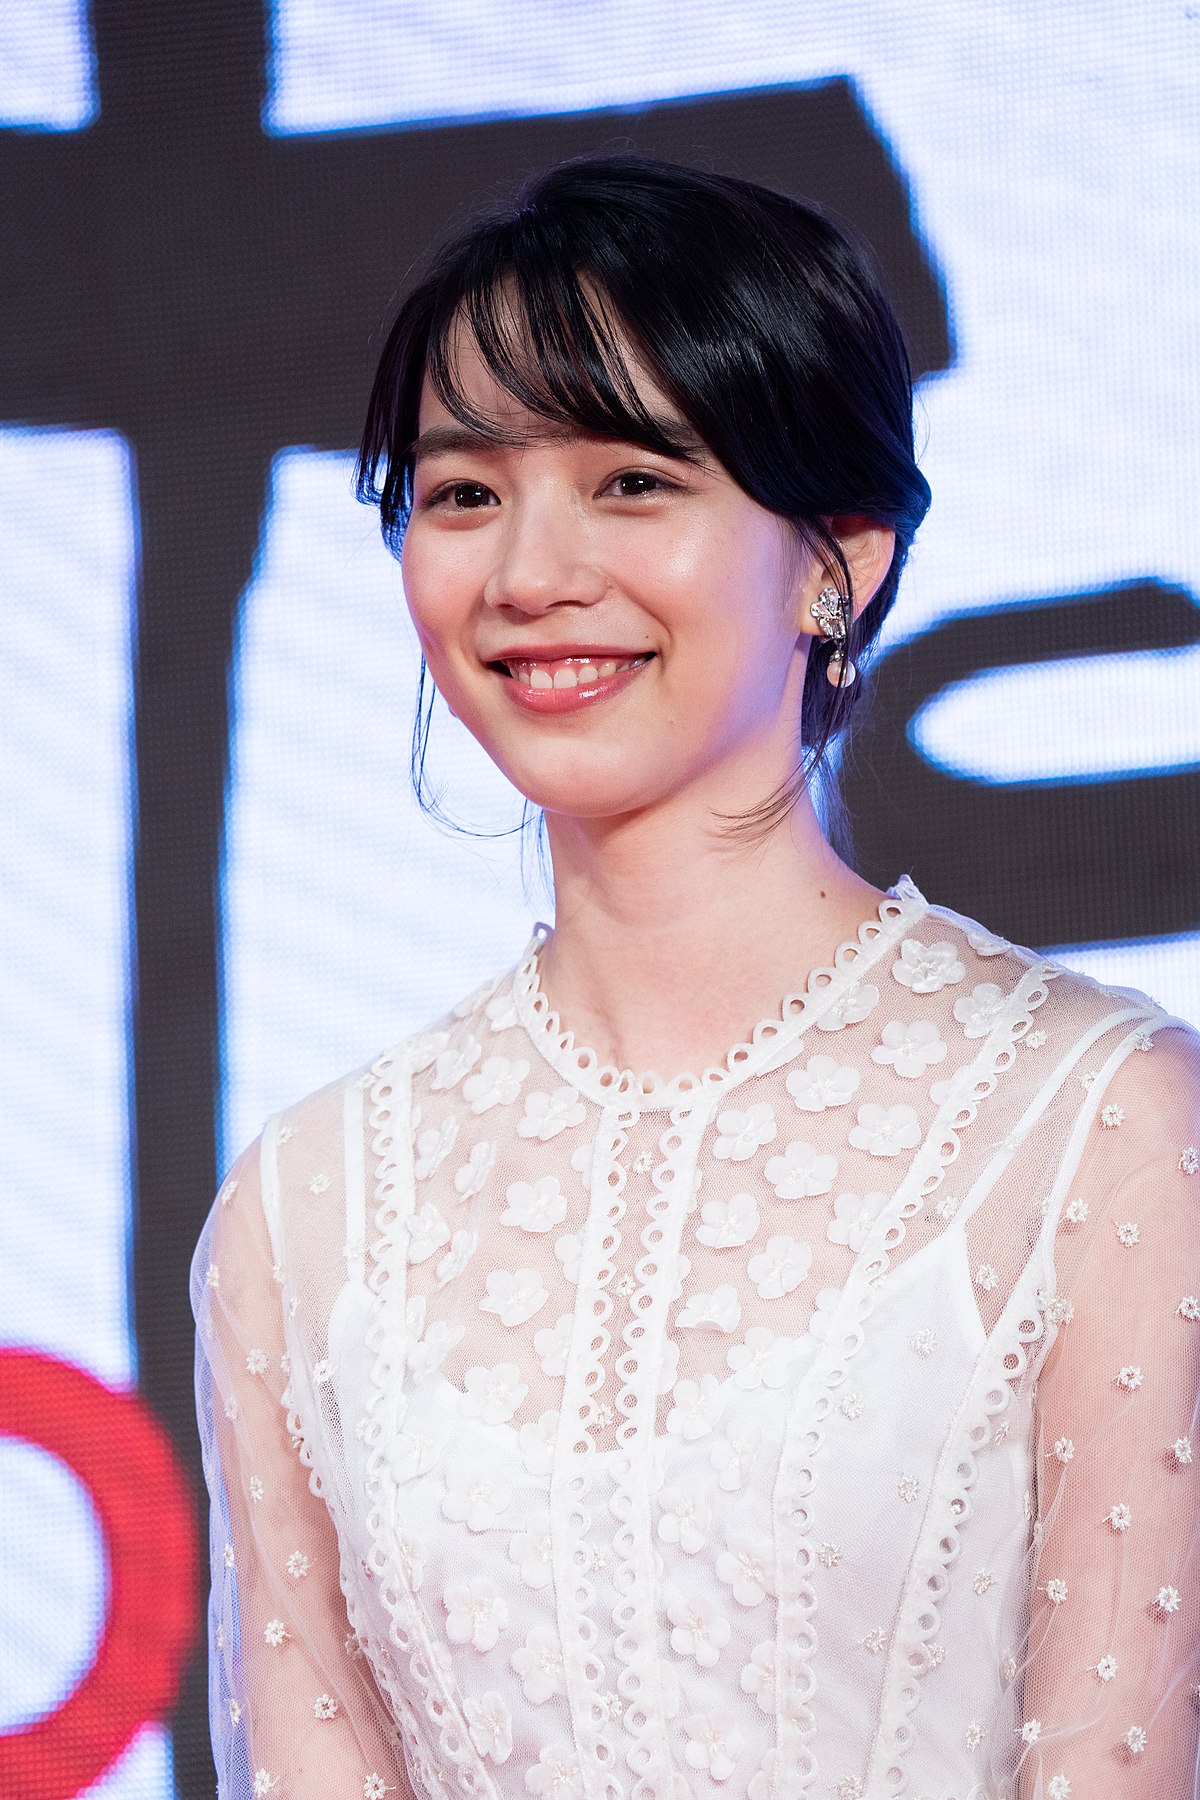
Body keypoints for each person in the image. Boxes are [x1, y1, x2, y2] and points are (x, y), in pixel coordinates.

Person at [193, 155, 1200, 1800]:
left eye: (632, 480)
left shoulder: (1097, 1128)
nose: (529, 573)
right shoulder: (310, 1211)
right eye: (463, 494)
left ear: (839, 560)